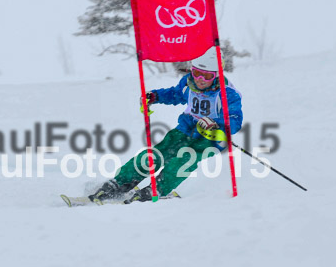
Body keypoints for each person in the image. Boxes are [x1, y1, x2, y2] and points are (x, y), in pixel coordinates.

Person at [89, 47, 243, 204]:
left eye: (207, 76)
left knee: (183, 159)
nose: (200, 79)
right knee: (156, 155)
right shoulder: (188, 83)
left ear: (217, 75)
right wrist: (155, 96)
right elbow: (175, 94)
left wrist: (218, 125)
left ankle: (158, 189)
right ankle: (119, 183)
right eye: (196, 73)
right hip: (184, 130)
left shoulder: (228, 93)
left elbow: (235, 119)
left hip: (209, 138)